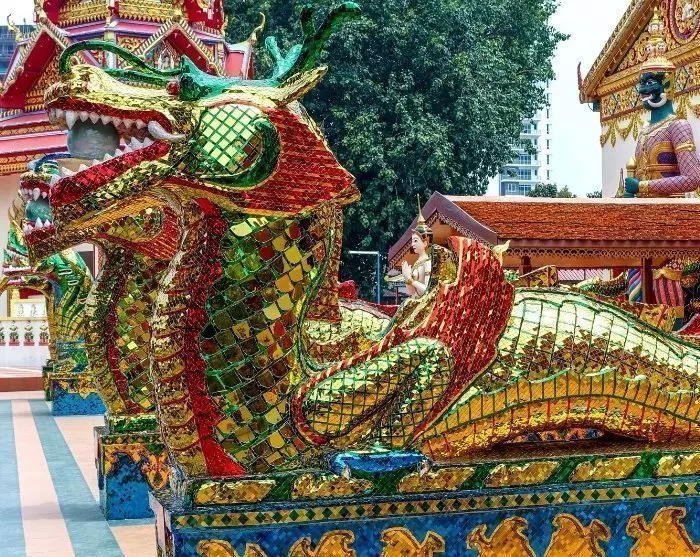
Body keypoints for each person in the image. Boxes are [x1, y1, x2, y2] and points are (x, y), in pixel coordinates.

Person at [401, 197, 432, 298]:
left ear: (425, 243)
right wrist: (406, 277)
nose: (412, 244)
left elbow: (428, 290)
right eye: (412, 241)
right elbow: (410, 292)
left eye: (415, 241)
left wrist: (410, 280)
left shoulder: (428, 263)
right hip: (414, 300)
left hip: (424, 302)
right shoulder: (416, 263)